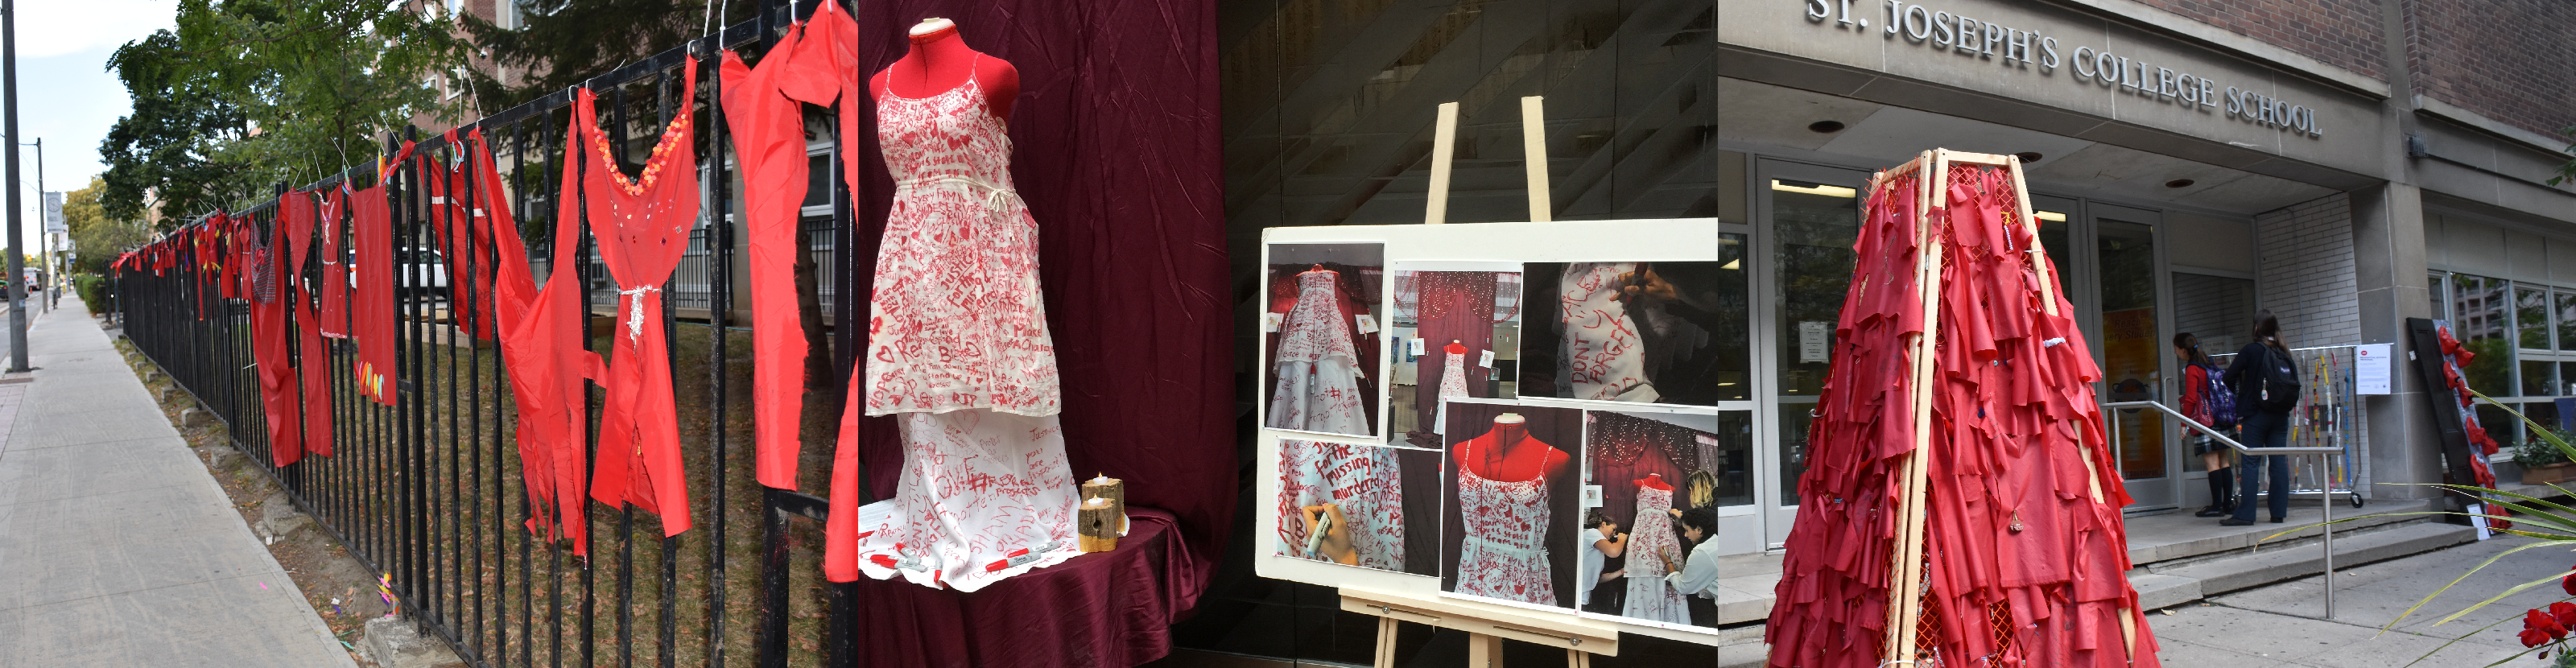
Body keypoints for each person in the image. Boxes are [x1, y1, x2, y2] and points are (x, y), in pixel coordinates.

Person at [2221, 311, 2294, 526]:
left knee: (2251, 462)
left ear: (2256, 329)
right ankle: (2278, 513)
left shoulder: (2252, 350)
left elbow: (2228, 376)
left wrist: (2243, 392)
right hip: (2280, 415)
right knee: (2278, 461)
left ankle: (2246, 514)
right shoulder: (2283, 352)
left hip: (2256, 414)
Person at [2177, 332, 2235, 518]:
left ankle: (2216, 506)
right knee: (2224, 461)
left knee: (2212, 464)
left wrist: (2183, 424)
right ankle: (2228, 504)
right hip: (2221, 417)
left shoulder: (2193, 368)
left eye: (2176, 349)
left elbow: (2191, 399)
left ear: (2183, 350)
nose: (2177, 353)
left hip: (2206, 420)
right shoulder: (2209, 363)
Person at [1661, 506, 1721, 625]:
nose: (1685, 535)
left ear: (1698, 530)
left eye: (1687, 530)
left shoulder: (1702, 552)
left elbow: (1683, 587)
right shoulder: (1715, 543)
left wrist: (1667, 561)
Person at [1578, 509, 1627, 614]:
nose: (1614, 534)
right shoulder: (1593, 533)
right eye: (1613, 529)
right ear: (1603, 524)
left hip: (1584, 597)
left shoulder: (1598, 546)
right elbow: (1614, 552)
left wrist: (1621, 572)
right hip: (1579, 595)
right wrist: (1622, 539)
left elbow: (1598, 579)